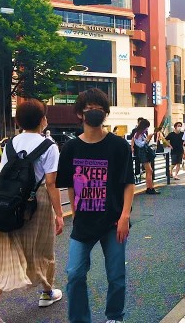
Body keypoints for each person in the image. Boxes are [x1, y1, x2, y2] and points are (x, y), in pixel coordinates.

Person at [0, 99, 64, 322]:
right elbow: (51, 183)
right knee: (42, 249)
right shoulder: (49, 146)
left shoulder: (11, 144)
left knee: (2, 252)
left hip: (8, 202)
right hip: (36, 202)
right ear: (43, 120)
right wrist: (59, 214)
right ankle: (47, 292)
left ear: (18, 121)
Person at [56, 88, 135, 323]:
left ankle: (114, 317)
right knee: (75, 274)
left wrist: (124, 217)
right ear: (80, 113)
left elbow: (128, 183)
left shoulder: (119, 146)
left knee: (116, 275)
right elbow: (69, 185)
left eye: (99, 109)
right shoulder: (70, 148)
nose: (94, 113)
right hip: (84, 223)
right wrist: (74, 211)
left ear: (106, 113)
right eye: (89, 109)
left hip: (113, 221)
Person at [131, 119, 159, 195]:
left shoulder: (142, 133)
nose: (147, 128)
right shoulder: (137, 134)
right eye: (146, 127)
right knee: (149, 170)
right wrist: (147, 139)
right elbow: (140, 145)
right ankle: (150, 188)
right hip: (142, 153)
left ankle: (150, 187)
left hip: (145, 153)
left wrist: (148, 138)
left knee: (149, 171)